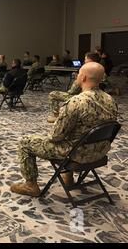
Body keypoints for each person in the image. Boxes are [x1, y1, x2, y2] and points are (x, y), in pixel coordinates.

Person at [10, 62, 118, 197]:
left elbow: (56, 136)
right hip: (99, 152)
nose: (77, 76)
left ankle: (31, 186)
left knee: (24, 142)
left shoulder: (76, 102)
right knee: (74, 136)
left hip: (77, 154)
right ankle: (68, 177)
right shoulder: (110, 100)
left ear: (83, 77)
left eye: (78, 74)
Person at [47, 52, 101, 123]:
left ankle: (57, 116)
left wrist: (78, 79)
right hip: (96, 96)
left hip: (80, 97)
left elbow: (73, 91)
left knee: (53, 94)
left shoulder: (85, 70)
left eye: (85, 59)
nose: (84, 61)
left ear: (90, 59)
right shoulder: (100, 69)